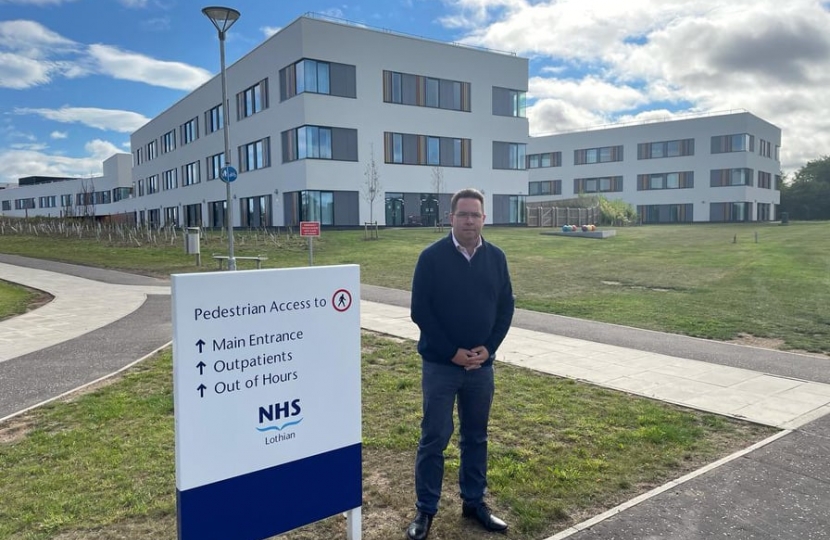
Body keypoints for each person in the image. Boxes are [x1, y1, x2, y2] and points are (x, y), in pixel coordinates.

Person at [406, 188, 515, 539]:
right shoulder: (431, 257)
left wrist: (489, 348)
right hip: (441, 366)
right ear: (450, 218)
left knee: (476, 437)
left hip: (481, 368)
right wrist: (452, 352)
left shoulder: (496, 258)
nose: (469, 220)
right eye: (463, 214)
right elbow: (421, 311)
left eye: (475, 214)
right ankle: (425, 510)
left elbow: (505, 308)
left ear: (484, 218)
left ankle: (474, 503)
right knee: (434, 438)